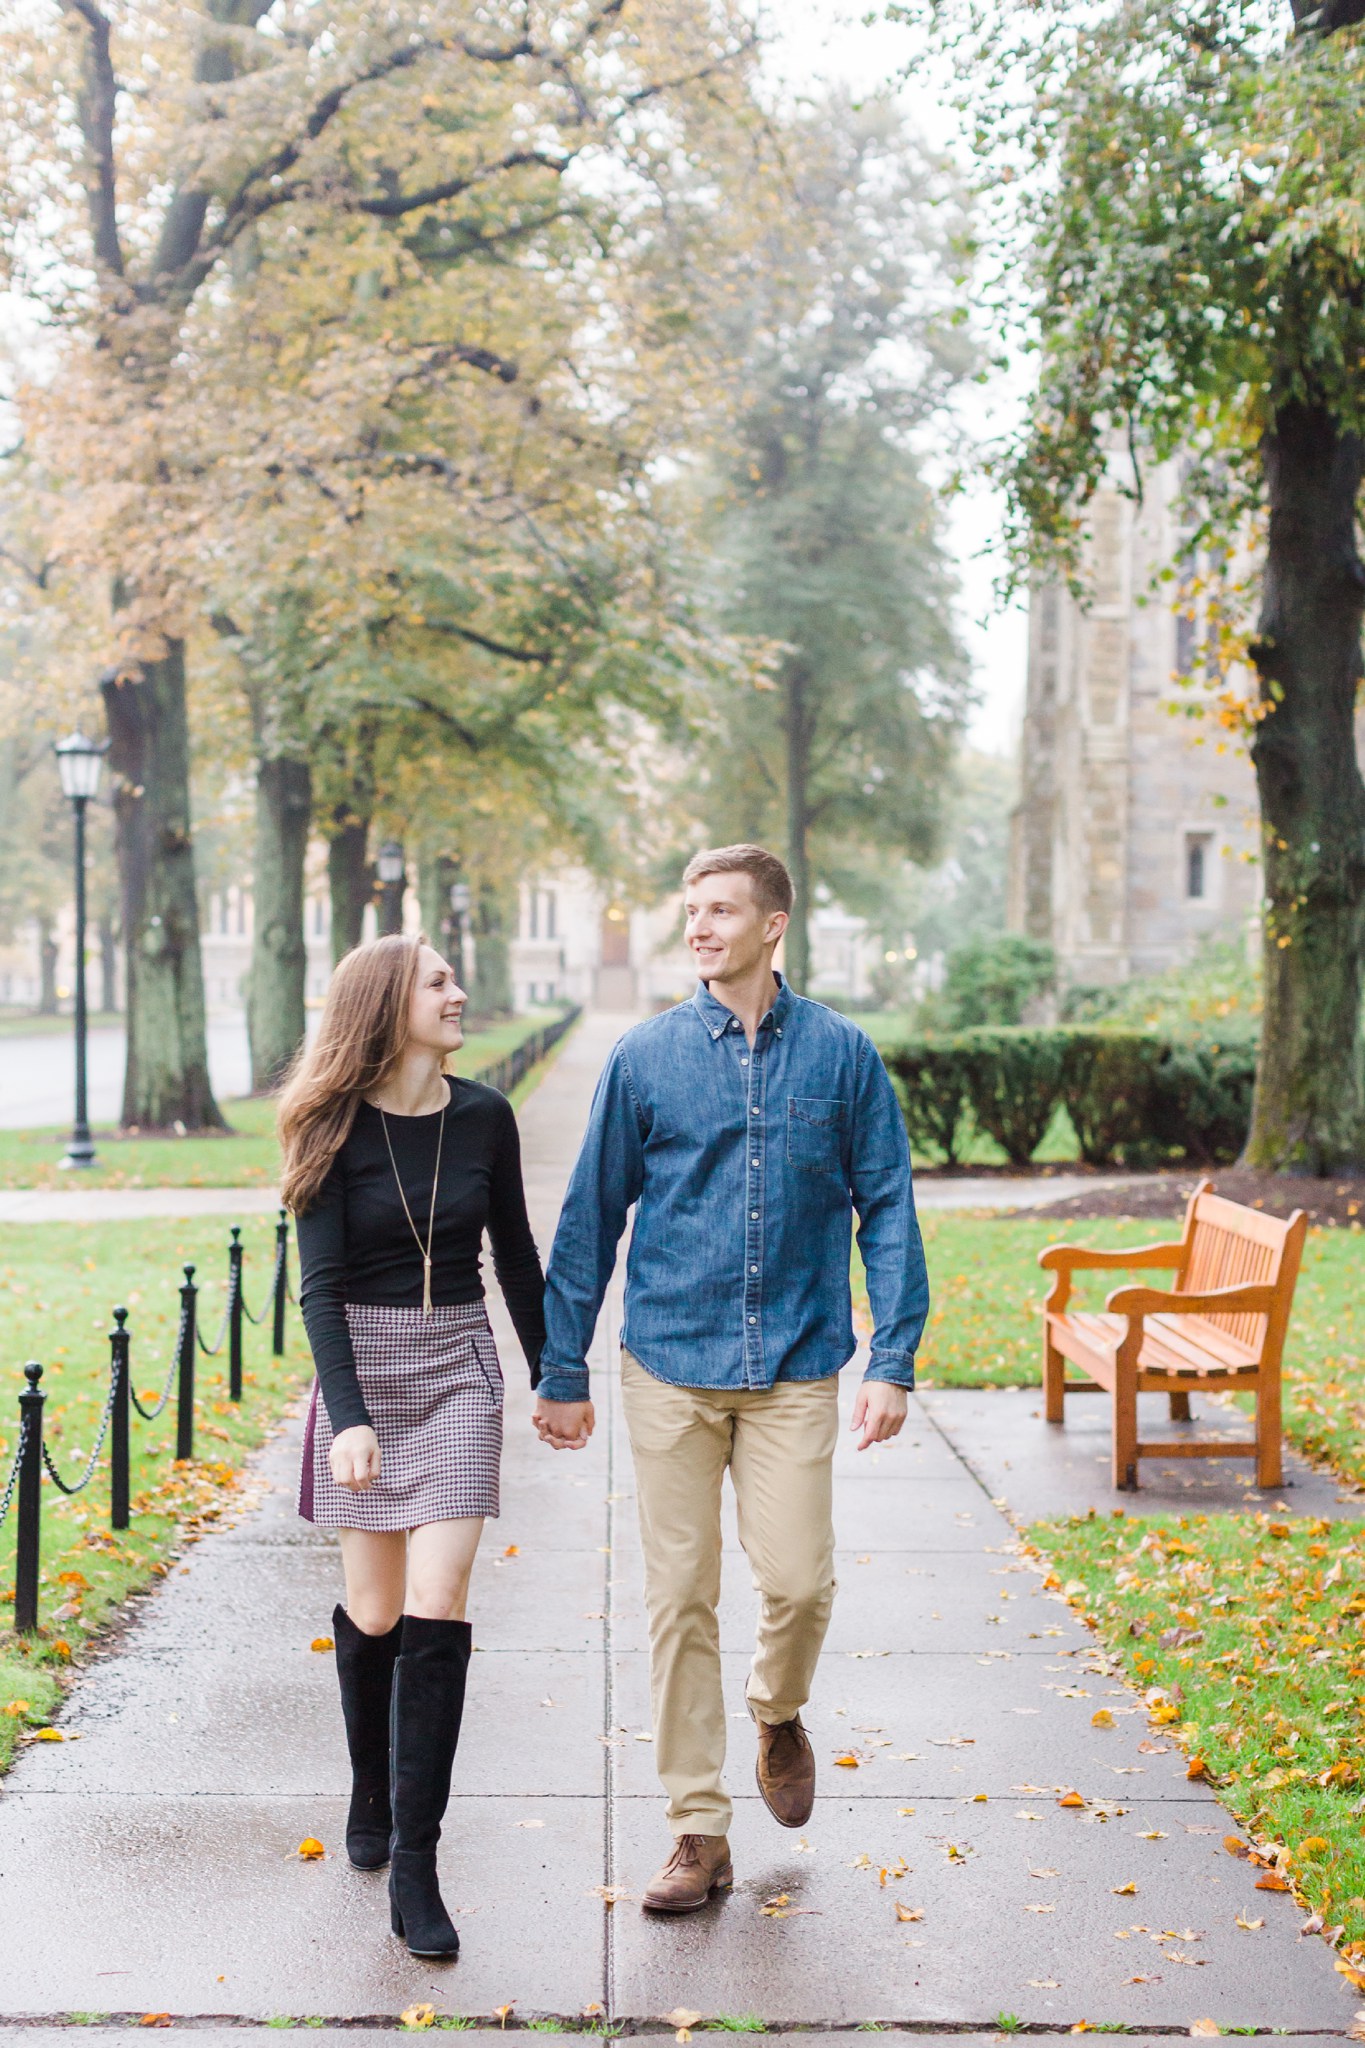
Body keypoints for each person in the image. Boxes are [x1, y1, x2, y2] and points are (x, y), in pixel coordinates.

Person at [535, 844, 928, 1913]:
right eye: (691, 910)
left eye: (721, 910)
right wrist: (560, 1364)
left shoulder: (843, 1057)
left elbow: (885, 1203)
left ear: (773, 926)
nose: (699, 927)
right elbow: (589, 1216)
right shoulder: (645, 1057)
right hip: (668, 1359)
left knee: (799, 1581)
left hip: (795, 1361)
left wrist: (892, 1354)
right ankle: (696, 1831)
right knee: (679, 1596)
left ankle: (776, 1708)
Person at [279, 932, 545, 1960]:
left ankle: (420, 1866)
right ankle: (371, 1784)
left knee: (438, 1603)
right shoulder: (327, 1123)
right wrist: (345, 1415)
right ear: (388, 1002)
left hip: (458, 1368)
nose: (458, 990)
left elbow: (514, 1250)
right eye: (439, 980)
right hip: (366, 1370)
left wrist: (552, 1372)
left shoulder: (484, 1114)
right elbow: (317, 1287)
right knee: (376, 1609)